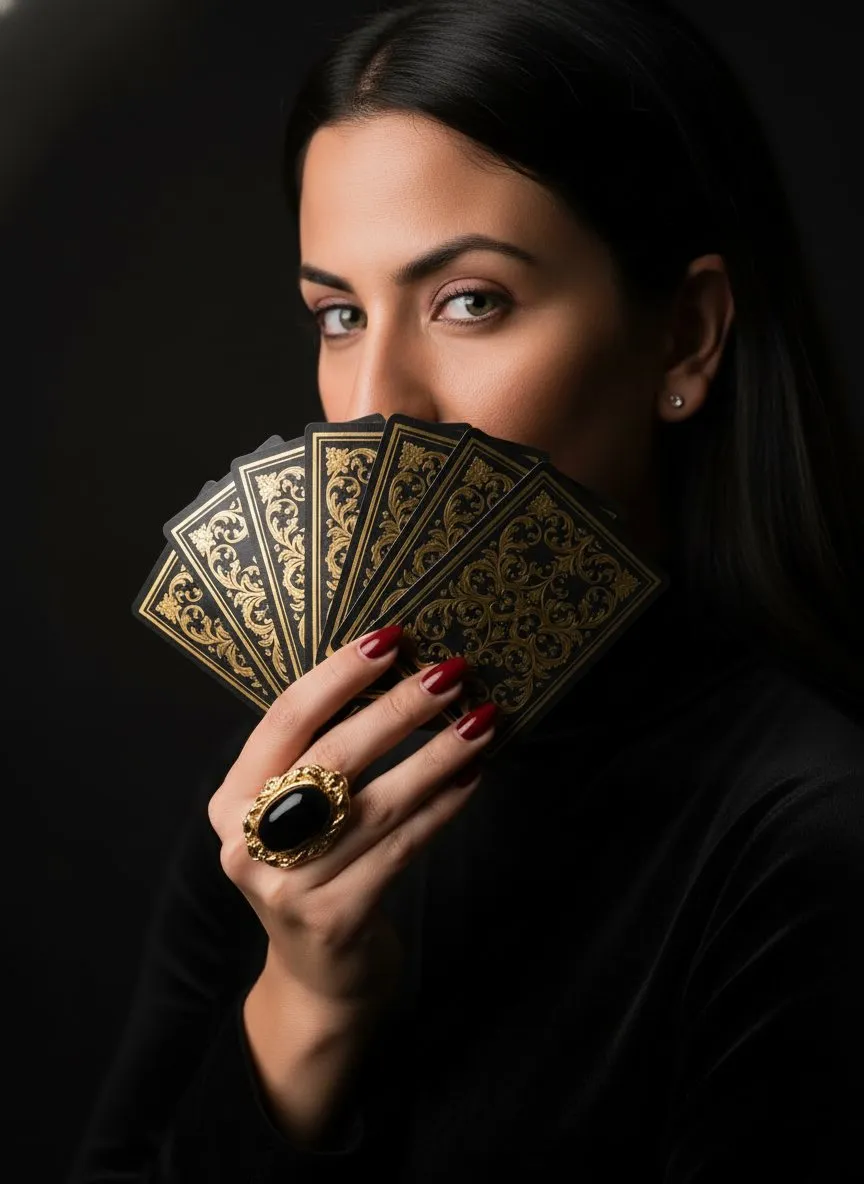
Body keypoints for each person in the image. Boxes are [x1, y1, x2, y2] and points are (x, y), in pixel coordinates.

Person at [67, 0, 864, 1179]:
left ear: (686, 337)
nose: (378, 400)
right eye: (339, 313)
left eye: (470, 300)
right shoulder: (282, 801)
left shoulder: (810, 833)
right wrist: (305, 1006)